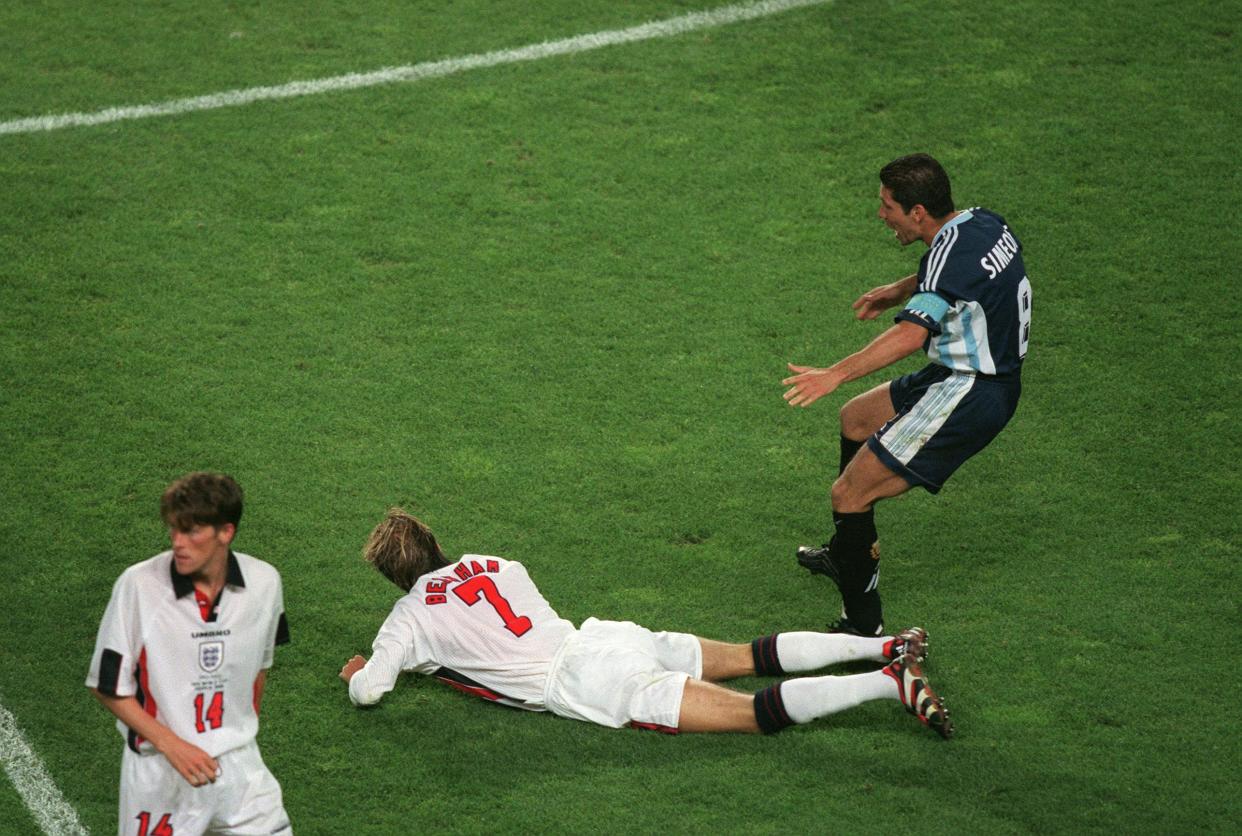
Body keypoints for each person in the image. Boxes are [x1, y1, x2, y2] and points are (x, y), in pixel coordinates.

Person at [338, 508, 952, 738]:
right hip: (606, 636)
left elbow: (370, 692)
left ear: (396, 578)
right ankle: (884, 645)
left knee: (747, 713)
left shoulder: (406, 618)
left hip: (583, 684)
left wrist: (365, 670)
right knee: (746, 656)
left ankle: (888, 683)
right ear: (435, 542)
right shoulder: (498, 563)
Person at [782, 153, 1032, 637]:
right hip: (965, 372)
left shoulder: (947, 254)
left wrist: (834, 372)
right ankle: (846, 553)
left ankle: (864, 627)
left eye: (888, 206)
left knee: (849, 494)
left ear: (918, 212)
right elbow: (960, 276)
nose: (881, 215)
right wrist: (899, 291)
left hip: (971, 389)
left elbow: (909, 337)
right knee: (856, 419)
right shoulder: (982, 223)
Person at [86, 472, 292, 835]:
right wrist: (173, 745)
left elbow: (260, 667)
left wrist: (233, 734)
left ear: (225, 532)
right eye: (174, 530)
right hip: (159, 774)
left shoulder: (265, 583)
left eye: (192, 531)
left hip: (239, 769)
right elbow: (107, 685)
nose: (178, 543)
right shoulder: (139, 587)